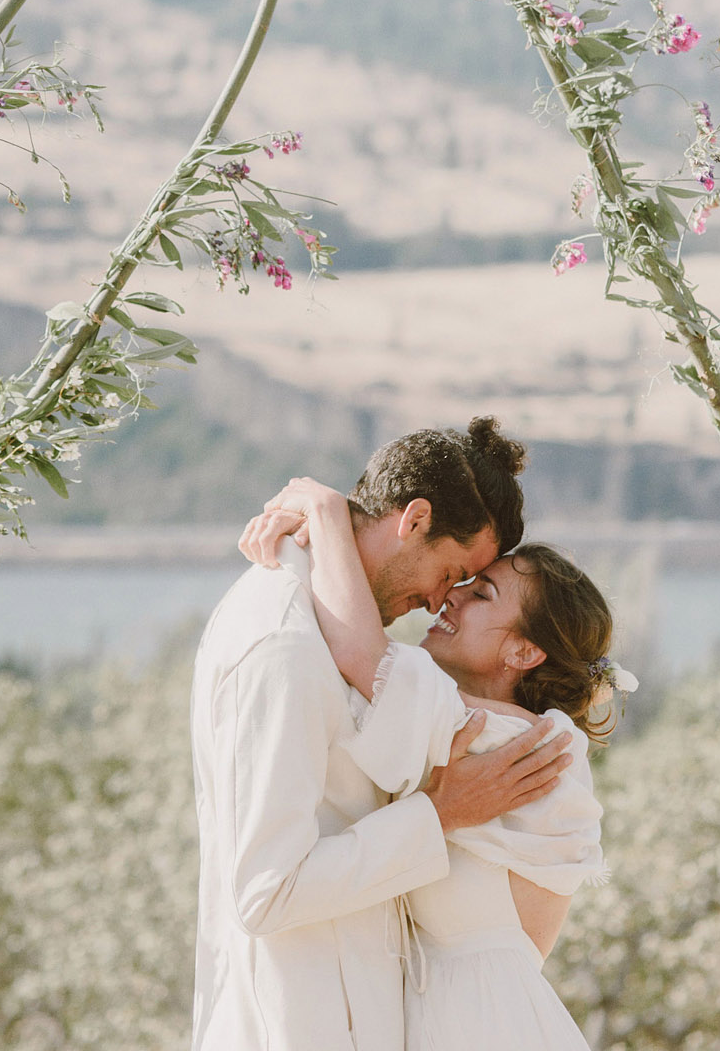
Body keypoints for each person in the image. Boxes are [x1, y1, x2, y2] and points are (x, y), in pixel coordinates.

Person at [191, 418, 573, 1051]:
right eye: (451, 574)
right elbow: (266, 891)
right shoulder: (285, 645)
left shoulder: (325, 624)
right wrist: (439, 815)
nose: (439, 602)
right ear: (415, 519)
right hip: (300, 1025)